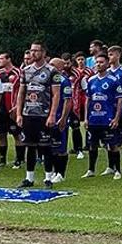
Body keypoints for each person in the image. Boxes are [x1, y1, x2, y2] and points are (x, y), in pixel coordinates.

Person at [16, 41, 63, 187]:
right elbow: (21, 93)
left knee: (45, 146)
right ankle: (29, 178)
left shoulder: (52, 71)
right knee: (29, 145)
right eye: (31, 51)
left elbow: (56, 94)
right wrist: (19, 113)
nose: (33, 53)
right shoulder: (26, 70)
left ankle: (48, 177)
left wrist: (52, 114)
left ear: (43, 53)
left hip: (43, 114)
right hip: (28, 113)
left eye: (36, 51)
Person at [82, 53, 122, 179]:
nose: (98, 64)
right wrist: (85, 118)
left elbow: (120, 100)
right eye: (97, 62)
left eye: (101, 62)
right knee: (92, 145)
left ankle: (116, 170)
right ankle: (91, 170)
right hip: (93, 119)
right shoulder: (91, 80)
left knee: (112, 145)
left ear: (107, 64)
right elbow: (88, 100)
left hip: (108, 118)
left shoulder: (113, 80)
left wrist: (117, 118)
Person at [44, 57, 74, 187]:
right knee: (49, 147)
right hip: (47, 118)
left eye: (52, 65)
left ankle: (61, 173)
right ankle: (52, 173)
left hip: (59, 118)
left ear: (59, 68)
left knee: (60, 147)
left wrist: (63, 118)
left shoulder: (64, 81)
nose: (49, 67)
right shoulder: (46, 80)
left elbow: (68, 101)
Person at [0, 52, 23, 169]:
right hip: (1, 109)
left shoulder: (18, 73)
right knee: (1, 134)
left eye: (1, 58)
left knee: (16, 134)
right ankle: (2, 159)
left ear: (8, 59)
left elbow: (22, 90)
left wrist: (17, 106)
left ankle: (19, 159)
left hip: (13, 109)